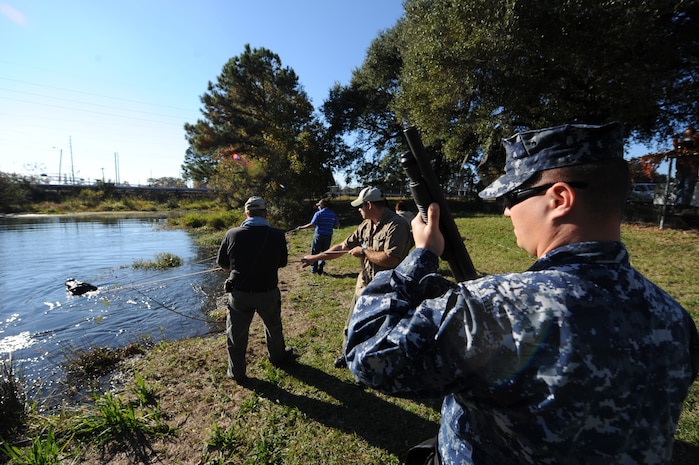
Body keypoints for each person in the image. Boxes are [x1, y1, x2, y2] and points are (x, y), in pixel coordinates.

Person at [345, 123, 699, 464]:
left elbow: (367, 354)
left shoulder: (494, 307)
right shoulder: (675, 318)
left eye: (514, 194)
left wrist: (421, 258)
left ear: (560, 198)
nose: (506, 209)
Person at [301, 187, 412, 368]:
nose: (358, 210)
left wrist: (364, 252)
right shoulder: (366, 224)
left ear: (368, 205)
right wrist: (316, 257)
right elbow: (343, 246)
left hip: (386, 288)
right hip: (365, 283)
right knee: (352, 323)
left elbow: (391, 259)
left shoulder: (396, 225)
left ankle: (367, 366)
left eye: (360, 206)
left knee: (376, 330)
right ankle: (348, 354)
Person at [217, 196, 294, 385]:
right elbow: (282, 262)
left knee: (236, 334)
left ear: (246, 213)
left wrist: (235, 269)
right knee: (273, 327)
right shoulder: (277, 234)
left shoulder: (232, 233)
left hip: (239, 294)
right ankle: (277, 357)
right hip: (268, 291)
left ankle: (236, 372)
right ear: (265, 213)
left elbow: (222, 263)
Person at [295, 199, 340, 275]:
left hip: (319, 235)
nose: (318, 207)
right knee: (324, 252)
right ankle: (321, 264)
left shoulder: (318, 214)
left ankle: (314, 270)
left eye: (319, 205)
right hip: (328, 235)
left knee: (315, 252)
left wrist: (301, 228)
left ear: (322, 205)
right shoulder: (333, 214)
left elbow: (312, 225)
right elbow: (337, 225)